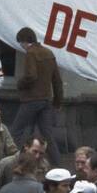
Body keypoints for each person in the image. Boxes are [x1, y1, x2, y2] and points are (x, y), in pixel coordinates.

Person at [9, 27, 64, 165]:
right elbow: (57, 80)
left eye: (20, 42)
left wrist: (20, 84)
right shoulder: (49, 52)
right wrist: (57, 102)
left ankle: (14, 161)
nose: (21, 46)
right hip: (46, 100)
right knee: (48, 136)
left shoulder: (31, 53)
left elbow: (31, 76)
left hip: (31, 100)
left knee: (16, 132)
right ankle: (59, 167)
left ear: (24, 41)